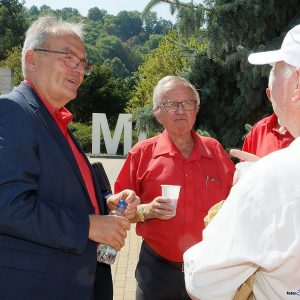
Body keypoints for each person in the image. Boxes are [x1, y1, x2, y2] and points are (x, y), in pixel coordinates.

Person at [0, 16, 139, 300]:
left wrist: (105, 204)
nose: (79, 69)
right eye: (68, 57)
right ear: (32, 59)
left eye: (83, 63)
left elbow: (56, 193)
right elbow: (8, 205)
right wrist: (89, 225)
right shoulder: (12, 111)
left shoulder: (57, 122)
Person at [184, 24, 300, 299]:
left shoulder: (270, 179)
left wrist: (243, 199)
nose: (268, 85)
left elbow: (204, 285)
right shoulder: (270, 168)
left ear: (297, 85)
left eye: (275, 69)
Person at [114, 75, 235, 299]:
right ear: (157, 112)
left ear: (196, 109)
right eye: (170, 104)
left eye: (187, 103)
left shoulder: (215, 151)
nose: (180, 110)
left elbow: (238, 203)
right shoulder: (142, 154)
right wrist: (144, 211)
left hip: (208, 271)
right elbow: (118, 208)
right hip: (157, 272)